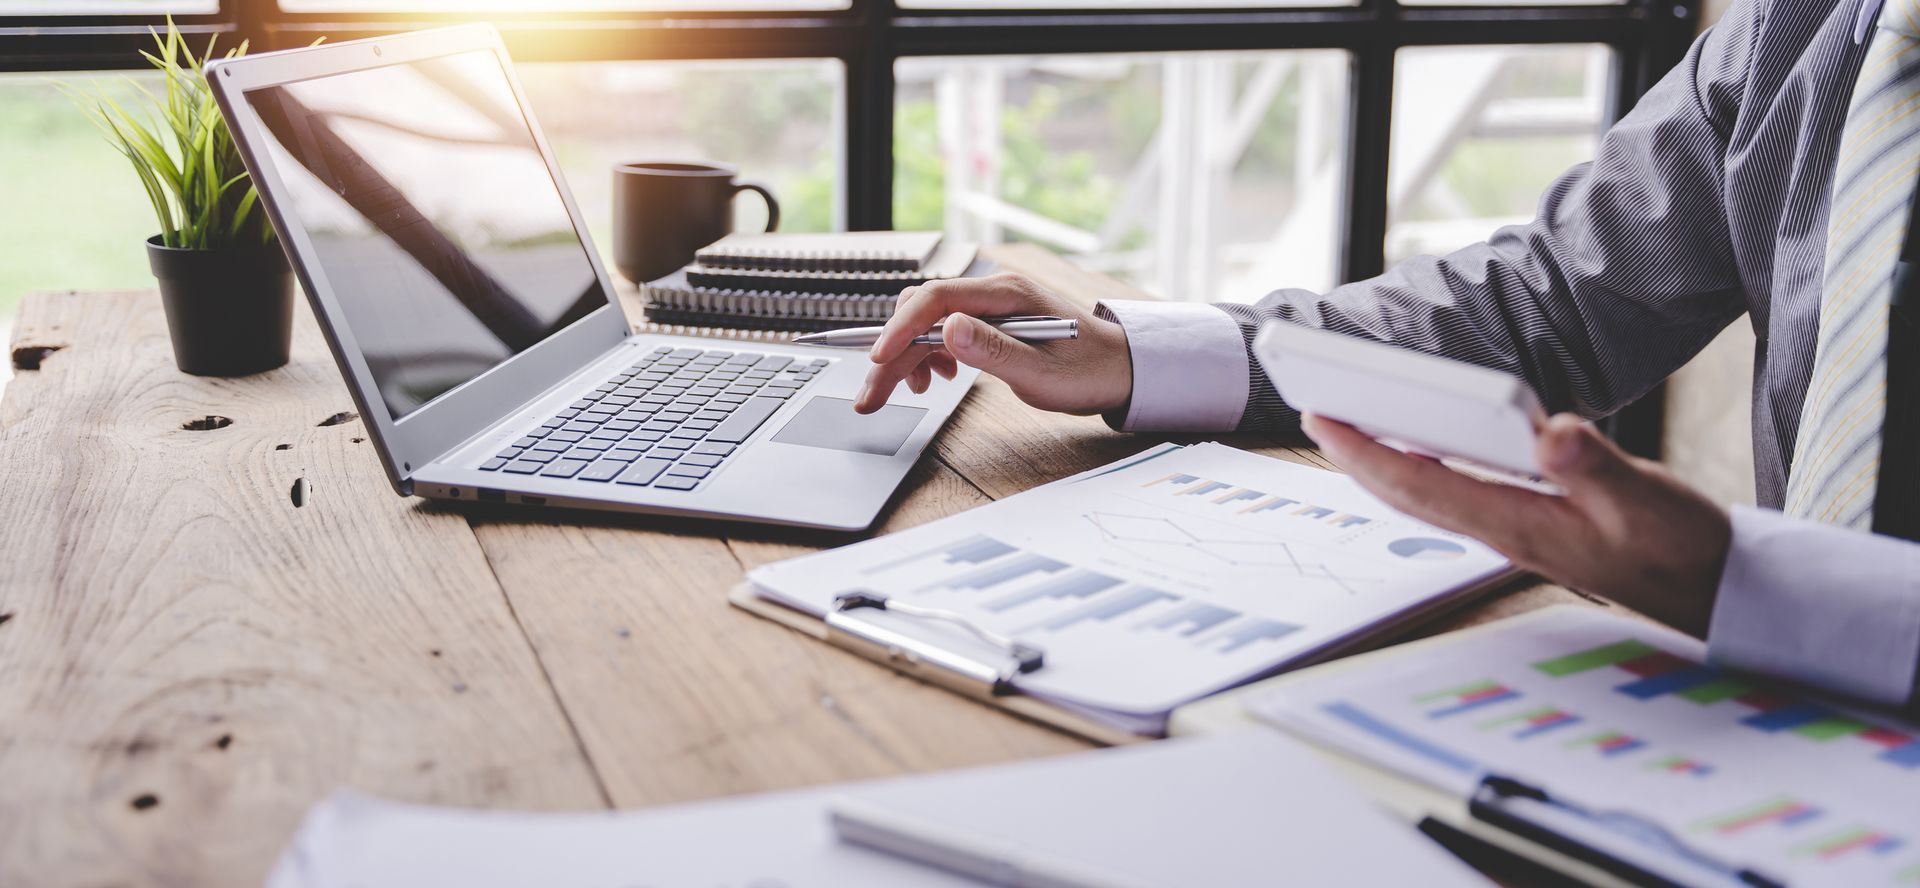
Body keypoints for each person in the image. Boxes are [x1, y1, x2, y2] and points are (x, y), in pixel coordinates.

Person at [854, 0, 1920, 708]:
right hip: (1782, 736)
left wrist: (1759, 587)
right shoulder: (1815, 21)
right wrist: (1138, 353)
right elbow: (1550, 298)